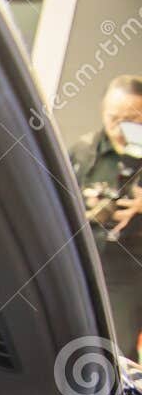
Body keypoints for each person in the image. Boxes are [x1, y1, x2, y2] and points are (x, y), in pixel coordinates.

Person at [70, 75, 142, 359]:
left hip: (129, 273)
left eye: (132, 118)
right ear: (103, 111)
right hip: (84, 267)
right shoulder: (84, 151)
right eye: (115, 118)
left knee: (118, 356)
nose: (122, 127)